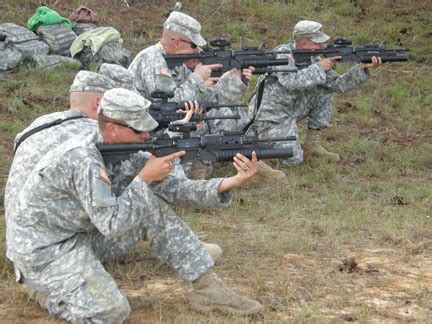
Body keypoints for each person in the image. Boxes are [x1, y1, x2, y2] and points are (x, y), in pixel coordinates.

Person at [6, 88, 264, 322]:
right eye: (139, 130)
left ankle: (209, 290)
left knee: (149, 204)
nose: (146, 136)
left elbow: (176, 190)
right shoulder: (82, 158)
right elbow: (112, 224)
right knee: (112, 312)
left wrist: (233, 181)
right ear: (112, 129)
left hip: (80, 234)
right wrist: (144, 178)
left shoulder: (123, 149)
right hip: (44, 250)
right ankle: (43, 289)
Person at [128, 11, 285, 180]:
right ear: (176, 42)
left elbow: (204, 99)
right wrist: (197, 78)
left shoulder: (177, 62)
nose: (199, 50)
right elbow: (169, 107)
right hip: (147, 132)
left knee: (225, 112)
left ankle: (246, 157)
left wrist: (235, 80)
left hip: (166, 123)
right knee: (192, 121)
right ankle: (196, 173)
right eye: (194, 45)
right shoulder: (153, 61)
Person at [248, 20, 382, 164]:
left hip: (289, 110)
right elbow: (290, 82)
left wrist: (362, 67)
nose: (323, 46)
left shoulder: (314, 57)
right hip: (269, 116)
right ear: (304, 44)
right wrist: (319, 68)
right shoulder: (282, 55)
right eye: (318, 42)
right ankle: (256, 148)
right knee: (294, 161)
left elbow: (338, 85)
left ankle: (312, 143)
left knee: (324, 90)